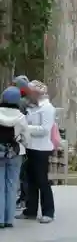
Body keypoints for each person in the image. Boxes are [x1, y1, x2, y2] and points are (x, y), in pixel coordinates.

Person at [16, 80, 56, 224]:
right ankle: (30, 210)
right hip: (30, 147)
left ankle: (48, 211)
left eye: (29, 93)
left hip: (41, 148)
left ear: (36, 93)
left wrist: (26, 128)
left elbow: (45, 129)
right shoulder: (31, 107)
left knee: (42, 180)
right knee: (30, 180)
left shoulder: (47, 108)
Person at [0, 86, 29, 228]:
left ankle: (0, 218)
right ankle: (9, 219)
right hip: (15, 153)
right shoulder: (21, 117)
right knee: (12, 186)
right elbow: (26, 138)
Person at [11, 75, 30, 209]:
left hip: (20, 140)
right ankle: (23, 197)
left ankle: (24, 198)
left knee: (23, 173)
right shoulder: (27, 101)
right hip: (24, 139)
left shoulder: (21, 102)